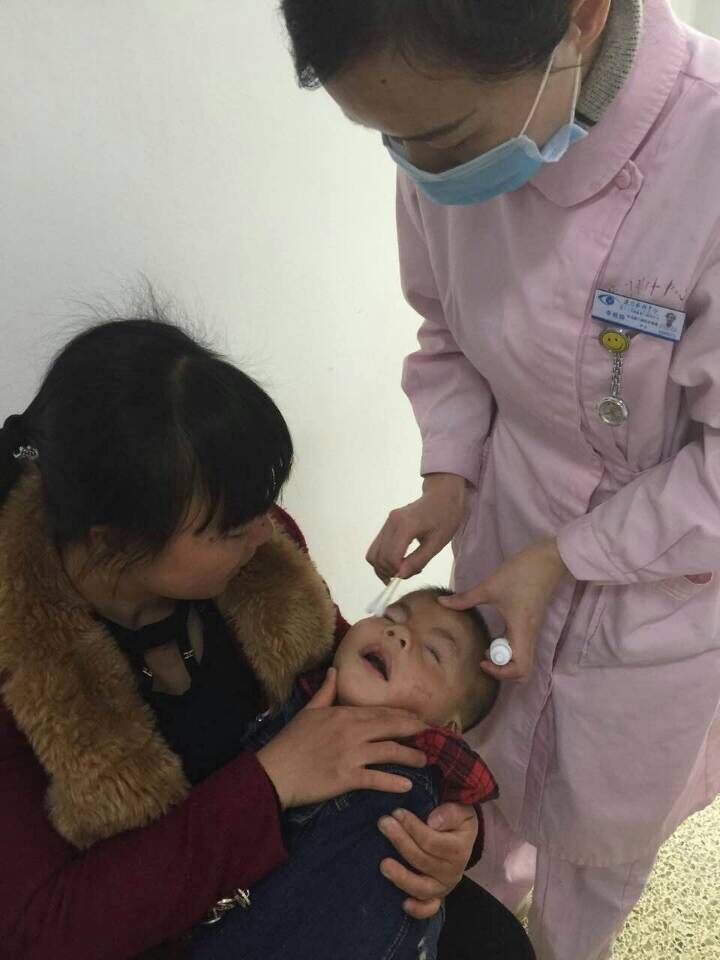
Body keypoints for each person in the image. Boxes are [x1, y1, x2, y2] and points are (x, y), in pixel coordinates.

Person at [279, 1, 720, 958]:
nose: (422, 169)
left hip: (659, 587)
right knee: (484, 772)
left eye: (443, 138)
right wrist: (450, 474)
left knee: (600, 840)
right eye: (392, 141)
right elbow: (446, 336)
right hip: (505, 524)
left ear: (580, 16)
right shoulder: (434, 147)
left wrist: (567, 556)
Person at [0, 311, 487, 960]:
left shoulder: (262, 563)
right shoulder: (22, 670)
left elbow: (361, 678)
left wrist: (454, 827)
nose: (267, 531)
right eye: (231, 529)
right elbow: (40, 930)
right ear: (116, 543)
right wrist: (270, 781)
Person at [188, 588, 501, 960]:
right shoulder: (296, 693)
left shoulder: (401, 795)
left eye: (433, 652)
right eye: (391, 617)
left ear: (447, 730)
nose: (398, 634)